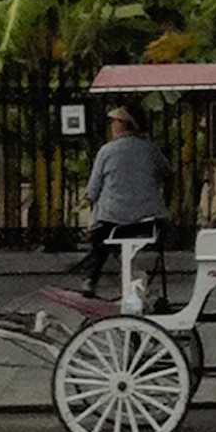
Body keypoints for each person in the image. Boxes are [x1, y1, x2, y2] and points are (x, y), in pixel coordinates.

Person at [82, 105, 172, 300]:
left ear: (122, 125)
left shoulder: (106, 151)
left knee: (99, 236)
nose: (112, 125)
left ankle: (91, 277)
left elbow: (92, 190)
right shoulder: (151, 149)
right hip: (150, 221)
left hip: (113, 222)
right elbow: (167, 172)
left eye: (115, 122)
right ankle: (133, 278)